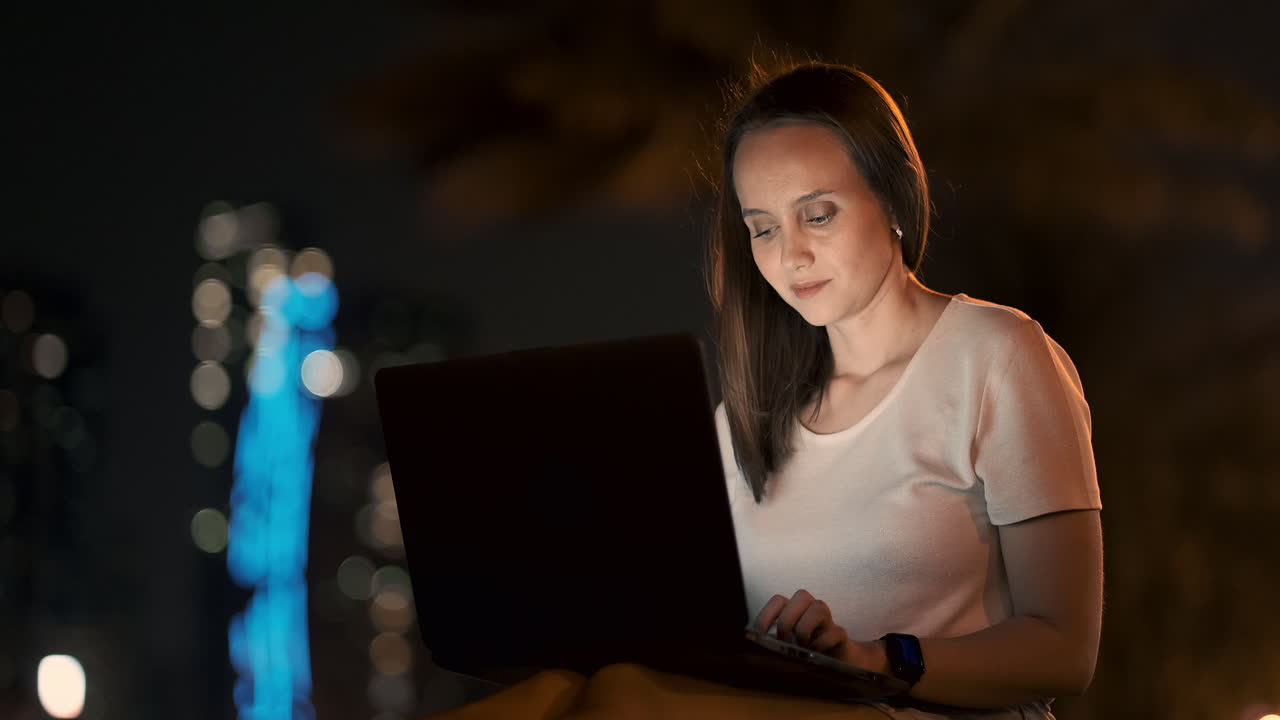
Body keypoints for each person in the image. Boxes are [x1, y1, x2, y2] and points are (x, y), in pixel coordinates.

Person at [432, 61, 1102, 720]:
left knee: (626, 701)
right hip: (790, 702)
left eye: (818, 215)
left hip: (933, 712)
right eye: (763, 228)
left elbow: (1064, 650)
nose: (791, 256)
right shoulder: (749, 418)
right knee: (552, 695)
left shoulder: (997, 355)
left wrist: (878, 659)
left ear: (893, 198)